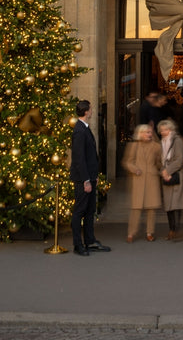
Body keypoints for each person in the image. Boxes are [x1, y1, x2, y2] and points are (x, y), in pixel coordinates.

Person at [70, 100, 111, 256]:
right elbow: (79, 159)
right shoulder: (80, 130)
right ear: (86, 111)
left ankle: (89, 240)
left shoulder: (84, 128)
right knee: (80, 211)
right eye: (91, 109)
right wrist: (86, 180)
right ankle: (77, 244)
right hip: (83, 179)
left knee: (89, 210)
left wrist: (94, 177)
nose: (92, 111)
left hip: (89, 177)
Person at [121, 124, 162, 242]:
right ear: (140, 133)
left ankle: (150, 232)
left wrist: (161, 169)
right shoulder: (133, 146)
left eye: (150, 132)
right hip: (137, 179)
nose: (149, 134)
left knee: (151, 208)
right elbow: (127, 162)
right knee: (136, 207)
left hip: (152, 179)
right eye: (146, 132)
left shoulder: (156, 146)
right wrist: (134, 169)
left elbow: (159, 162)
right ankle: (131, 233)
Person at [158, 118, 183, 240]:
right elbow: (160, 159)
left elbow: (179, 159)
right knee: (168, 205)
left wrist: (168, 171)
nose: (162, 132)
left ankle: (175, 229)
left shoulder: (177, 141)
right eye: (161, 130)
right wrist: (163, 171)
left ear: (170, 129)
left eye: (165, 130)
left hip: (176, 174)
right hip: (166, 175)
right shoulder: (162, 142)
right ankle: (172, 228)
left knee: (176, 203)